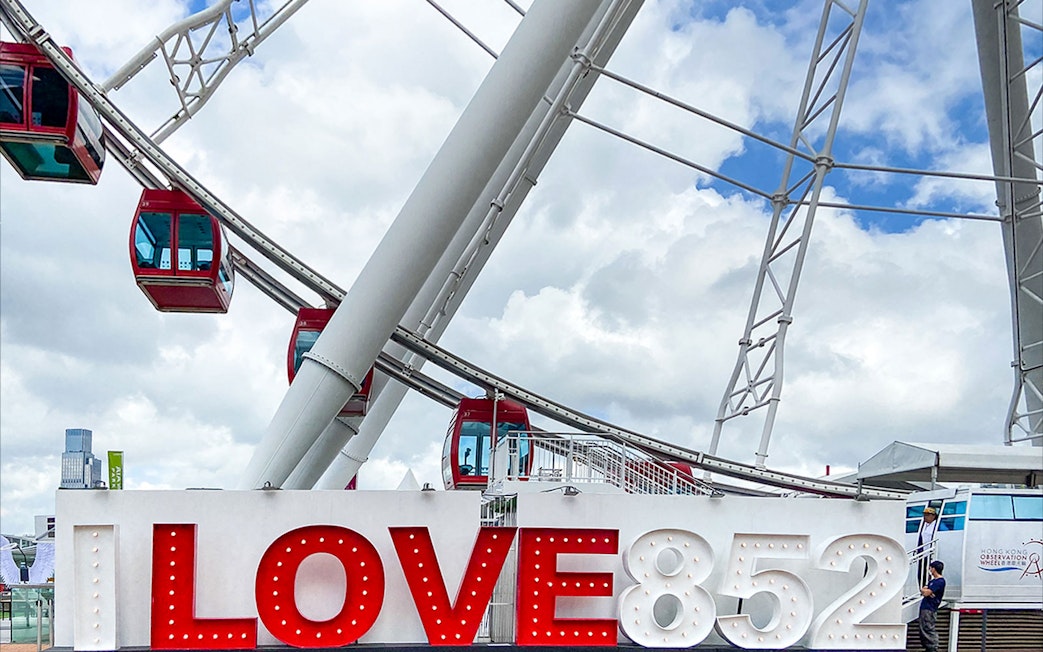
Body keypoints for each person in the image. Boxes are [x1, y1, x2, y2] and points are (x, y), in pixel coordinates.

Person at [918, 559, 946, 652]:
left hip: (930, 608)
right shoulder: (932, 581)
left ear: (934, 569)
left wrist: (927, 591)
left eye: (931, 568)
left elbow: (926, 592)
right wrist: (926, 591)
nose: (930, 570)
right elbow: (924, 589)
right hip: (925, 607)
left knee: (928, 627)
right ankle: (928, 647)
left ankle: (933, 647)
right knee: (923, 627)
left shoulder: (940, 581)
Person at [917, 506, 939, 584]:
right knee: (921, 572)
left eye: (927, 515)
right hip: (924, 553)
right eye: (924, 515)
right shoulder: (924, 525)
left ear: (933, 516)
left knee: (930, 572)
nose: (925, 517)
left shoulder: (936, 525)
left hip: (930, 553)